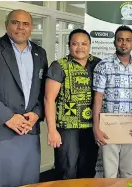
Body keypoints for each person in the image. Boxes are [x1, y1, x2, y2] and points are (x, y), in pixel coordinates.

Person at [0, 9, 48, 187]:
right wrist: (8, 117)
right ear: (6, 26)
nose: (20, 27)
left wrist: (37, 113)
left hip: (29, 131)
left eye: (25, 24)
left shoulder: (40, 53)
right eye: (15, 22)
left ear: (31, 28)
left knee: (28, 182)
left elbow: (43, 90)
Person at [44, 29, 101, 180]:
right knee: (66, 169)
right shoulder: (59, 66)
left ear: (90, 45)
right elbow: (49, 99)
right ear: (69, 45)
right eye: (75, 44)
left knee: (88, 168)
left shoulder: (98, 64)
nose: (80, 47)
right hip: (67, 128)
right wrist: (52, 130)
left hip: (91, 127)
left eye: (84, 44)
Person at [92, 25, 132, 178]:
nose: (124, 43)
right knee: (109, 173)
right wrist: (96, 127)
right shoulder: (103, 65)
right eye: (120, 40)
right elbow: (98, 98)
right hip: (108, 127)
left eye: (128, 40)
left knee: (128, 172)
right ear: (114, 42)